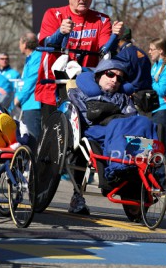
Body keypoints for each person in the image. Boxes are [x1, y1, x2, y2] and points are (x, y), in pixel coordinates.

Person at [67, 59, 158, 215]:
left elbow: (131, 117)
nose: (115, 80)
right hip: (95, 130)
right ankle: (117, 169)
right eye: (110, 74)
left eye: (119, 78)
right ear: (98, 75)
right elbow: (84, 118)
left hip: (121, 133)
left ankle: (152, 161)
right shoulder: (79, 92)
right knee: (118, 126)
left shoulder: (122, 97)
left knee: (144, 121)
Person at [35, 0, 123, 127]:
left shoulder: (102, 20)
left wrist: (115, 37)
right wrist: (60, 32)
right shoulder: (53, 14)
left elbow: (105, 52)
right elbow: (47, 44)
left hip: (84, 90)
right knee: (53, 140)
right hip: (53, 88)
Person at [148, 37, 166, 152]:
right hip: (154, 110)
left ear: (160, 50)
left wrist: (150, 81)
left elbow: (161, 91)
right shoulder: (155, 66)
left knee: (159, 149)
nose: (149, 52)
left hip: (164, 111)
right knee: (152, 149)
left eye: (152, 49)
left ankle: (161, 170)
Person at [14, 32, 42, 142]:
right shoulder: (30, 58)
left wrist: (19, 97)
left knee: (33, 139)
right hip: (28, 104)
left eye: (20, 43)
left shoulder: (37, 57)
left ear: (25, 44)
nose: (19, 46)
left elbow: (31, 81)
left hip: (33, 104)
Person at [114, 26, 152, 92]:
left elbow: (118, 78)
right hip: (146, 94)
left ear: (118, 39)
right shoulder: (141, 52)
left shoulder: (123, 55)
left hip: (132, 95)